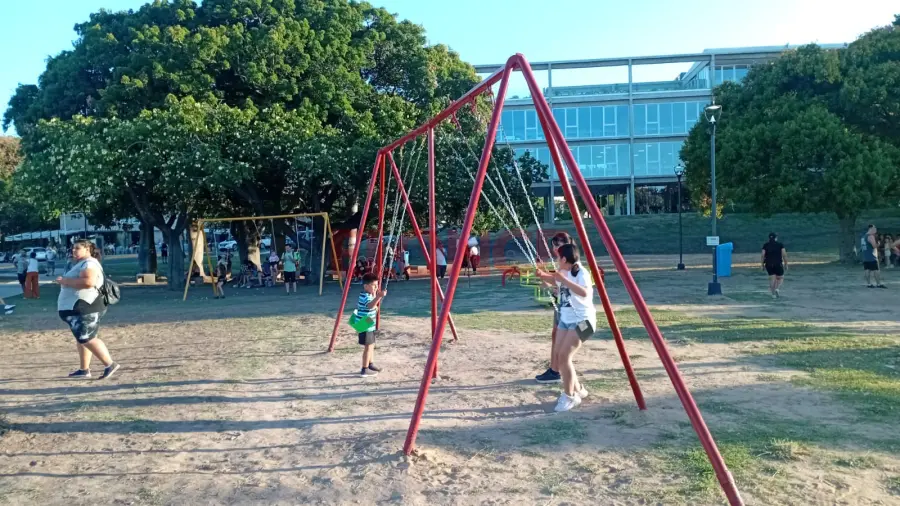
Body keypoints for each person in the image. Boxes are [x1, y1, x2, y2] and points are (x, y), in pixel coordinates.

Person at [536, 243, 594, 412]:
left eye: (558, 257)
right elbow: (554, 281)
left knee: (564, 356)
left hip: (584, 322)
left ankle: (569, 397)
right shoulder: (563, 272)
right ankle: (578, 390)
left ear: (563, 259)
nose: (556, 260)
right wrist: (542, 275)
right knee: (559, 354)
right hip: (566, 320)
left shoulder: (581, 272)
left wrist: (564, 280)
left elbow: (585, 292)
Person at [57, 239, 120, 380]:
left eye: (77, 248)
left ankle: (110, 364)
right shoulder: (83, 263)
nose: (74, 251)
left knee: (87, 338)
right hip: (81, 307)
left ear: (87, 249)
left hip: (86, 306)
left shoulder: (89, 263)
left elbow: (88, 282)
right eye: (73, 248)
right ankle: (84, 370)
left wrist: (65, 281)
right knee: (82, 338)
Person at [535, 232, 572, 384]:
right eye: (554, 246)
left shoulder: (569, 261)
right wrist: (551, 284)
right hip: (563, 305)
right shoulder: (562, 260)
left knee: (561, 339)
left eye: (558, 245)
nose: (555, 249)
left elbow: (562, 280)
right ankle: (554, 369)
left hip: (570, 308)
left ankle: (559, 371)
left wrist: (544, 276)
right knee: (556, 335)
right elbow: (560, 282)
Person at [357, 272, 387, 377]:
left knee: (372, 344)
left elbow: (372, 306)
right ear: (366, 286)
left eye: (377, 285)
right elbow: (370, 305)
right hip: (364, 324)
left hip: (368, 323)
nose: (376, 287)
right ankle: (364, 369)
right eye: (373, 285)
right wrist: (378, 296)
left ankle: (370, 364)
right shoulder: (364, 296)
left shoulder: (369, 295)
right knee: (368, 347)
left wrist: (376, 299)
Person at [761, 233, 787, 299]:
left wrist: (762, 265)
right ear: (776, 238)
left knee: (772, 279)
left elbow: (762, 255)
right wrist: (786, 264)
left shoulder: (765, 245)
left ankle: (773, 295)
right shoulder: (780, 244)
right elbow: (784, 255)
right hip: (778, 263)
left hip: (768, 264)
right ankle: (777, 289)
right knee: (780, 277)